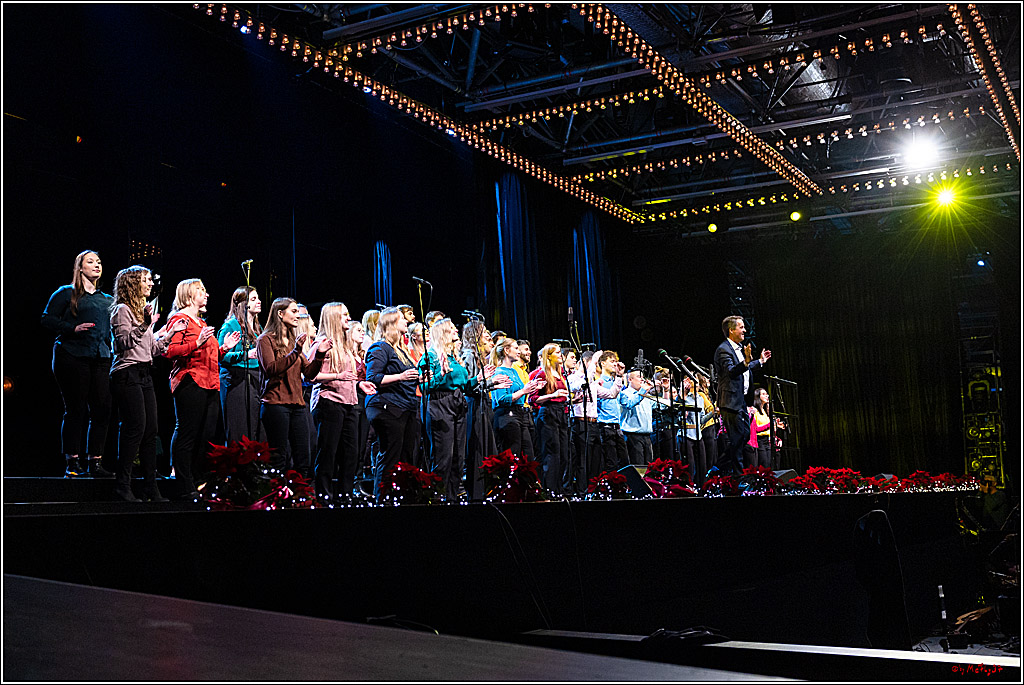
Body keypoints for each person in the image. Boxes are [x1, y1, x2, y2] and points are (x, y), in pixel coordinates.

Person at [109, 266, 187, 501]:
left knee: (151, 431)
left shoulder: (143, 310)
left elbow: (152, 348)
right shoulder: (121, 310)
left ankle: (150, 486)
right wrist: (144, 324)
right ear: (133, 284)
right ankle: (123, 484)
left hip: (144, 373)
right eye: (146, 280)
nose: (151, 284)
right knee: (135, 428)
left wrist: (170, 334)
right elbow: (121, 344)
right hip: (126, 373)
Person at [41, 249, 116, 478]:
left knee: (102, 409)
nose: (97, 265)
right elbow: (47, 319)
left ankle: (95, 462)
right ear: (80, 267)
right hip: (72, 355)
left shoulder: (108, 299)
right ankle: (72, 463)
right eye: (91, 262)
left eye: (99, 262)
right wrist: (71, 328)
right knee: (76, 409)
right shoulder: (67, 293)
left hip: (100, 358)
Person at [163, 279, 241, 496]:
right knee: (188, 432)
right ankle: (183, 484)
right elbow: (169, 351)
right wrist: (196, 343)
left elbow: (211, 355)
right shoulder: (180, 320)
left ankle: (198, 481)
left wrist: (224, 348)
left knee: (205, 436)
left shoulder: (201, 323)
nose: (206, 295)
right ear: (189, 295)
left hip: (210, 384)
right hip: (191, 381)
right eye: (201, 291)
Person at [256, 297, 330, 476]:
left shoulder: (292, 342)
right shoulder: (265, 340)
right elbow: (271, 368)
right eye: (294, 311)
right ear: (280, 314)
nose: (298, 316)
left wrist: (320, 355)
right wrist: (296, 351)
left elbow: (310, 373)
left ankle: (301, 498)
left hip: (296, 405)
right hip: (275, 404)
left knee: (303, 457)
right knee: (279, 457)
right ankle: (278, 498)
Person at [310, 302, 376, 504]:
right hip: (329, 402)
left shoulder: (345, 346)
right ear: (332, 318)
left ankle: (345, 495)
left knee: (351, 453)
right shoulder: (321, 343)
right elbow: (310, 376)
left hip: (349, 403)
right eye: (344, 315)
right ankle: (323, 495)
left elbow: (350, 376)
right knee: (328, 452)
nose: (348, 318)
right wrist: (337, 375)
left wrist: (360, 383)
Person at [364, 307, 421, 499]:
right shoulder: (380, 347)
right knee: (390, 454)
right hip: (388, 406)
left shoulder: (401, 350)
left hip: (406, 407)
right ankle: (382, 499)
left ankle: (402, 498)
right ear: (390, 324)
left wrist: (419, 378)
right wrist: (401, 376)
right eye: (401, 319)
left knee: (406, 456)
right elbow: (373, 377)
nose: (406, 322)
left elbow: (407, 378)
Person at [423, 318, 475, 499]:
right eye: (452, 328)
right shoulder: (430, 356)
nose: (456, 330)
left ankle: (452, 498)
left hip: (458, 403)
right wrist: (441, 373)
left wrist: (485, 380)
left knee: (457, 457)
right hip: (440, 403)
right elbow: (425, 387)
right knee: (443, 456)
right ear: (443, 333)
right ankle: (437, 497)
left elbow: (465, 385)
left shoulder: (454, 357)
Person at [714, 316, 771, 475]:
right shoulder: (723, 350)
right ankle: (738, 477)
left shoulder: (738, 349)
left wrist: (759, 361)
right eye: (741, 327)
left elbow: (744, 368)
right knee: (739, 438)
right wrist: (746, 362)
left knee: (743, 437)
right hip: (730, 402)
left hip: (741, 402)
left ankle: (718, 467)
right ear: (731, 330)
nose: (744, 330)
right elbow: (732, 372)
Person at [460, 321, 511, 500]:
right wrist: (490, 383)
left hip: (483, 404)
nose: (488, 335)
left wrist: (492, 384)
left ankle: (486, 491)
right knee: (477, 449)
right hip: (474, 406)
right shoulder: (468, 355)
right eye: (484, 332)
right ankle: (476, 494)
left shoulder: (480, 357)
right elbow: (468, 386)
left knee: (486, 448)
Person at [218, 286, 263, 443]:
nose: (259, 302)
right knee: (239, 428)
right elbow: (221, 355)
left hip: (255, 378)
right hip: (236, 380)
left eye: (258, 298)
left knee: (255, 426)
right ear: (243, 304)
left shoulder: (257, 328)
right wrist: (245, 355)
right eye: (253, 299)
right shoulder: (230, 326)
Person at [490, 337, 544, 458]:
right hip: (507, 416)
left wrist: (533, 387)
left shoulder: (514, 372)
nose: (518, 351)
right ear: (506, 350)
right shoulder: (499, 372)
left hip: (520, 414)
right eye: (515, 348)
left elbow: (520, 393)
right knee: (512, 454)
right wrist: (524, 390)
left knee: (528, 454)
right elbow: (502, 399)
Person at [528, 343, 571, 494]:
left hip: (561, 413)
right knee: (552, 454)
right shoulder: (542, 374)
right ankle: (551, 490)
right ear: (549, 356)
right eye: (557, 352)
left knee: (564, 454)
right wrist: (553, 395)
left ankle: (560, 488)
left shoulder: (561, 374)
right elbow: (533, 399)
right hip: (548, 413)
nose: (561, 355)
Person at [568, 350, 602, 491]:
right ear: (587, 363)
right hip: (580, 422)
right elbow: (580, 385)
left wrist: (618, 377)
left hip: (594, 423)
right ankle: (583, 491)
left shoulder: (592, 381)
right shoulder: (573, 378)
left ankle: (593, 490)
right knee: (583, 459)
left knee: (595, 460)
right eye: (594, 364)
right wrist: (593, 363)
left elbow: (610, 394)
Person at [595, 350, 628, 471]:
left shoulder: (617, 383)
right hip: (605, 427)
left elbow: (626, 402)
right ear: (602, 363)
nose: (615, 364)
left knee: (624, 462)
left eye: (616, 361)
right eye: (611, 361)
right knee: (611, 462)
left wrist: (643, 391)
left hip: (617, 427)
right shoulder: (598, 382)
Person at [619, 370, 655, 466]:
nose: (642, 379)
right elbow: (629, 404)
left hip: (647, 436)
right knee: (638, 467)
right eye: (639, 376)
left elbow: (662, 406)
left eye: (642, 376)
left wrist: (665, 390)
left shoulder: (646, 395)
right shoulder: (624, 394)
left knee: (649, 469)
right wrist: (643, 391)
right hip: (633, 436)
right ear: (630, 379)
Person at [679, 375, 707, 481]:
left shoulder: (700, 398)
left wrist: (713, 413)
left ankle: (701, 488)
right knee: (689, 466)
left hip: (698, 434)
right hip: (686, 434)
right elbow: (679, 413)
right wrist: (683, 394)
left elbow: (701, 419)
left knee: (702, 464)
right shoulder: (683, 395)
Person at [697, 374, 719, 484]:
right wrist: (716, 407)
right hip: (707, 427)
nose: (709, 380)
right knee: (709, 457)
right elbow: (709, 409)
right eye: (706, 378)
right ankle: (707, 482)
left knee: (714, 456)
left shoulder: (707, 394)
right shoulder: (701, 394)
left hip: (712, 426)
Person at [751, 388, 773, 469]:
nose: (767, 396)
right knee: (764, 465)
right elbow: (756, 429)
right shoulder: (755, 411)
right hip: (760, 440)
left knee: (769, 465)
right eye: (763, 394)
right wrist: (769, 425)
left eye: (766, 394)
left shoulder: (764, 411)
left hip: (767, 441)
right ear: (758, 396)